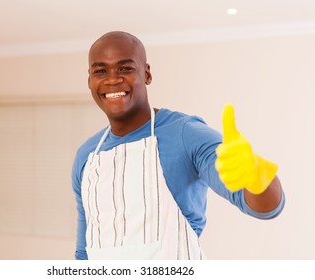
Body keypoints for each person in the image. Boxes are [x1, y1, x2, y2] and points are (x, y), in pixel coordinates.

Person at [71, 31, 285, 260]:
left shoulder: (186, 133)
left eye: (125, 68)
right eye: (100, 71)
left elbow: (266, 208)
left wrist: (255, 176)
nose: (112, 79)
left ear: (147, 74)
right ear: (89, 81)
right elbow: (86, 251)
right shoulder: (87, 155)